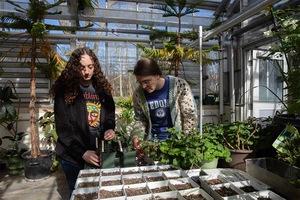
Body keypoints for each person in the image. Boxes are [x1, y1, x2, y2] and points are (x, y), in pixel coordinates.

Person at [50, 47, 116, 197]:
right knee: (78, 193)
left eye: (90, 67)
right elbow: (63, 129)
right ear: (74, 68)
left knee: (98, 191)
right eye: (82, 68)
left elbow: (110, 115)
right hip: (72, 155)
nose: (86, 72)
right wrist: (82, 153)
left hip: (97, 151)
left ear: (95, 67)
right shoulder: (64, 90)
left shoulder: (102, 88)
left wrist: (109, 128)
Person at [131, 57, 198, 154]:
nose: (143, 86)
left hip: (176, 143)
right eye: (140, 82)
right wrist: (137, 136)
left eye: (146, 81)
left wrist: (186, 142)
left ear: (157, 75)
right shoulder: (138, 94)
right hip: (151, 144)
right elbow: (140, 119)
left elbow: (190, 115)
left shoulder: (179, 86)